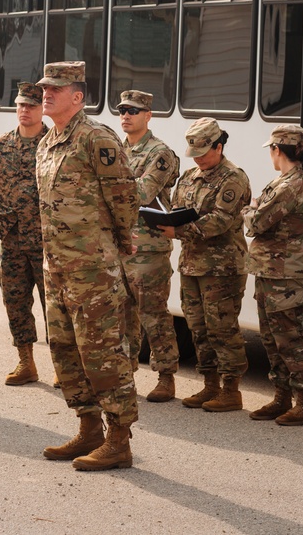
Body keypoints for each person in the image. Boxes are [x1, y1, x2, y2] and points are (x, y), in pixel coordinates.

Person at [35, 61, 139, 472]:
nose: (46, 93)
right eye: (44, 87)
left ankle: (119, 439)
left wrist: (119, 243)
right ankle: (89, 428)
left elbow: (124, 196)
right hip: (56, 267)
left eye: (55, 89)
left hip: (92, 268)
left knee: (103, 352)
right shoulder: (47, 142)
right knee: (65, 350)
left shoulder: (96, 138)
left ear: (77, 97)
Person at [160, 117, 250, 413]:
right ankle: (210, 384)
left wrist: (180, 231)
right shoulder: (188, 176)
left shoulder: (233, 178)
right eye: (193, 154)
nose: (197, 159)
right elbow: (177, 208)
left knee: (222, 328)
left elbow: (220, 221)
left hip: (222, 268)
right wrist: (165, 219)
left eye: (202, 153)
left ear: (219, 147)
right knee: (197, 327)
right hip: (191, 265)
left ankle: (230, 390)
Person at [0, 82, 48, 386]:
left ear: (42, 109)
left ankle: (63, 366)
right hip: (12, 241)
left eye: (31, 105)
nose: (24, 111)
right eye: (20, 105)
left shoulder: (53, 144)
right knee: (15, 303)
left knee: (54, 306)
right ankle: (26, 362)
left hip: (47, 242)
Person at [242, 125, 303, 425]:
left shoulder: (293, 186)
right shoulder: (283, 182)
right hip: (269, 271)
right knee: (271, 338)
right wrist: (256, 209)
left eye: (271, 149)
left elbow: (257, 222)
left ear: (278, 149)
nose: (270, 155)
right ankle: (282, 397)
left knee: (291, 339)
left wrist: (250, 208)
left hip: (284, 275)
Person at [116, 90, 180, 402]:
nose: (126, 115)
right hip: (120, 245)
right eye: (123, 110)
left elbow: (142, 192)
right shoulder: (115, 148)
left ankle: (166, 377)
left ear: (148, 115)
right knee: (122, 312)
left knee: (153, 313)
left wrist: (108, 186)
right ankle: (125, 373)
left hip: (149, 247)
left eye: (133, 110)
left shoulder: (161, 153)